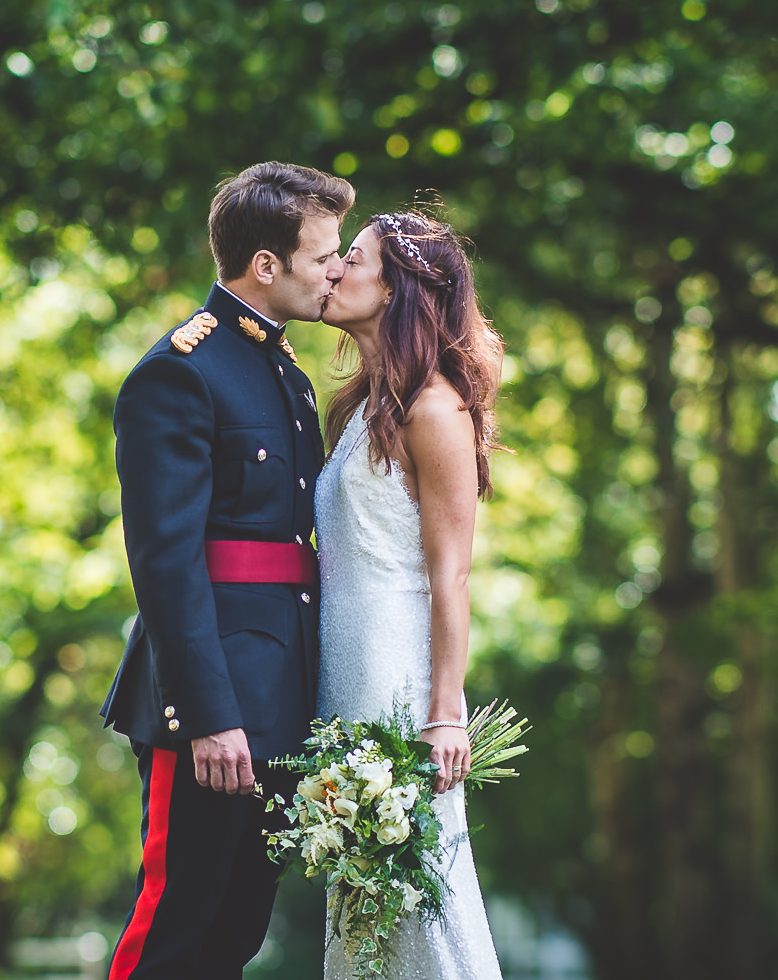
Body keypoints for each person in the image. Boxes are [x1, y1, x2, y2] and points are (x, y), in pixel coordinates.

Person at [100, 161, 353, 980]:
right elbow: (165, 561)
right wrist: (206, 713)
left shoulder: (286, 371)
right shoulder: (181, 370)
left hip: (281, 687)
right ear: (267, 264)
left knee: (234, 936)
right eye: (324, 257)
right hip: (212, 702)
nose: (337, 271)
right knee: (174, 927)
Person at [315, 209, 506, 980]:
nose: (333, 270)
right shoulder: (359, 409)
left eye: (350, 258)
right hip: (343, 676)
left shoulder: (436, 409)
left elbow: (450, 574)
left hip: (402, 685)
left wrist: (444, 713)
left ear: (396, 289)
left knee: (422, 897)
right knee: (362, 909)